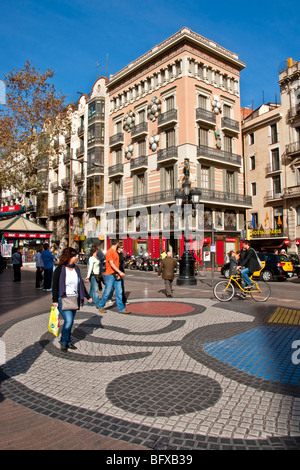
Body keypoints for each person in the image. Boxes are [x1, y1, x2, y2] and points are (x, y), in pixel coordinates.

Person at [52, 246, 93, 352]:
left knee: (70, 321)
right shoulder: (60, 269)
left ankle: (68, 341)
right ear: (69, 256)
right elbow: (55, 285)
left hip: (74, 298)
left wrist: (87, 296)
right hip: (63, 298)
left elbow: (80, 284)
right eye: (75, 255)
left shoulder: (76, 268)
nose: (77, 257)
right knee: (69, 321)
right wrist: (55, 300)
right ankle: (63, 341)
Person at [98, 239, 130, 314]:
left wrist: (119, 272)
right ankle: (101, 305)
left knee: (119, 292)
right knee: (107, 291)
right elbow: (111, 264)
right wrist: (119, 272)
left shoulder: (115, 252)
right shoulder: (110, 252)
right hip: (110, 274)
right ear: (117, 243)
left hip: (116, 275)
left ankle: (121, 308)